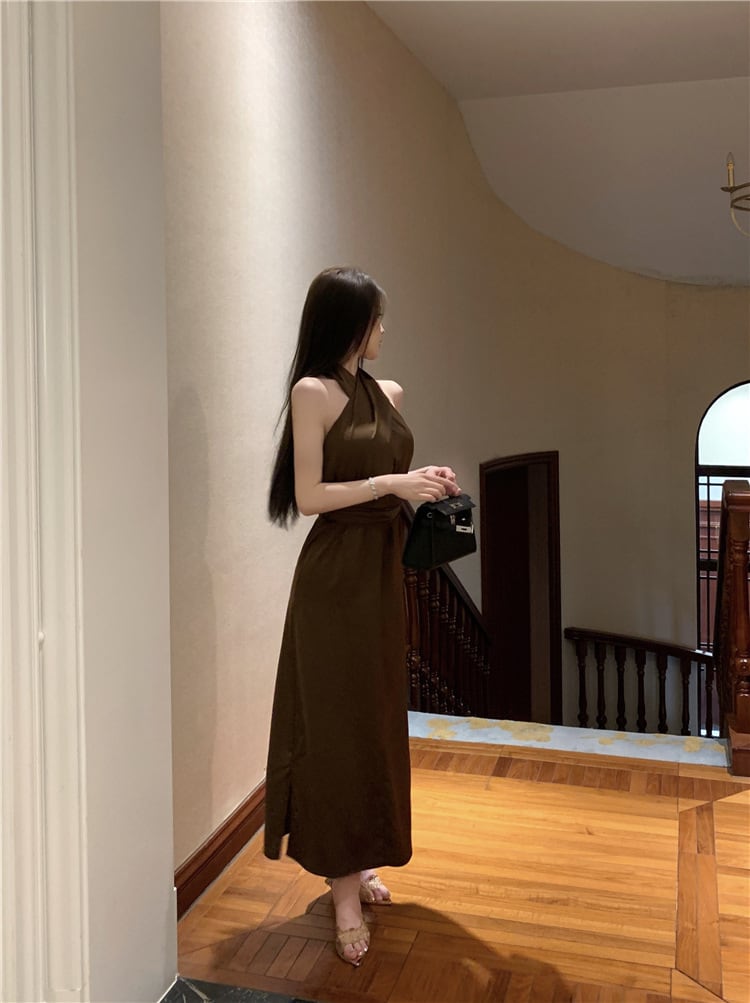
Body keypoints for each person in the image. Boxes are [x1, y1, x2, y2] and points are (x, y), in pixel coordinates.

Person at [265, 266, 459, 967]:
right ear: (350, 322)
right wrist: (391, 482)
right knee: (337, 728)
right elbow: (310, 496)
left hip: (379, 572)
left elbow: (385, 478)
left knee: (374, 720)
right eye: (377, 318)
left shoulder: (389, 392)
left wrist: (423, 482)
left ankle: (362, 856)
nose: (384, 329)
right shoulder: (311, 393)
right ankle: (342, 891)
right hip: (333, 579)